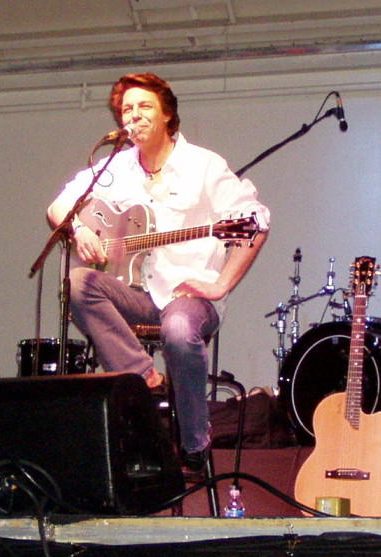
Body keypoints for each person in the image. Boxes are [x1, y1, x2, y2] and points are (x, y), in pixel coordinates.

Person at [47, 72, 270, 475]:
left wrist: (220, 285)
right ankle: (144, 376)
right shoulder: (113, 167)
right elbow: (58, 207)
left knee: (180, 331)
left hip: (188, 296)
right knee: (78, 282)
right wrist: (79, 229)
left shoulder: (203, 165)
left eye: (144, 106)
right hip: (135, 294)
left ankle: (193, 445)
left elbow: (256, 221)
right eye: (126, 109)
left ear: (168, 115)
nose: (134, 115)